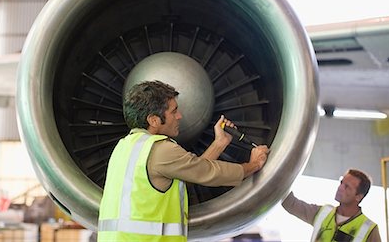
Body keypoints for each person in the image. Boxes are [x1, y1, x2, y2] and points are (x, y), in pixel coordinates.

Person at [98, 80, 269, 242]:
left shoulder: (124, 147)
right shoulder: (160, 150)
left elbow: (191, 171)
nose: (179, 116)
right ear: (154, 120)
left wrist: (219, 143)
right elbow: (208, 173)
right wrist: (254, 165)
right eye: (173, 111)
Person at [282, 169, 381, 242]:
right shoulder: (323, 213)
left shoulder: (369, 229)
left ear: (358, 197)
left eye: (347, 187)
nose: (340, 188)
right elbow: (290, 204)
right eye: (341, 183)